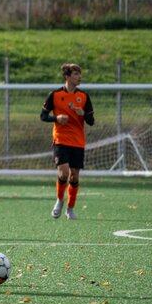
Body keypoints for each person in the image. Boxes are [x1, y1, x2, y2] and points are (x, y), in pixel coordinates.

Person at [40, 63, 95, 221]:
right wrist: (56, 118)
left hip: (77, 141)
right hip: (60, 139)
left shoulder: (84, 96)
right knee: (64, 173)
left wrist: (83, 114)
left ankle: (70, 208)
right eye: (76, 74)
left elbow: (91, 121)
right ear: (67, 77)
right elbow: (43, 116)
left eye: (80, 74)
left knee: (74, 177)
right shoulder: (55, 95)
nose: (79, 77)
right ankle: (59, 201)